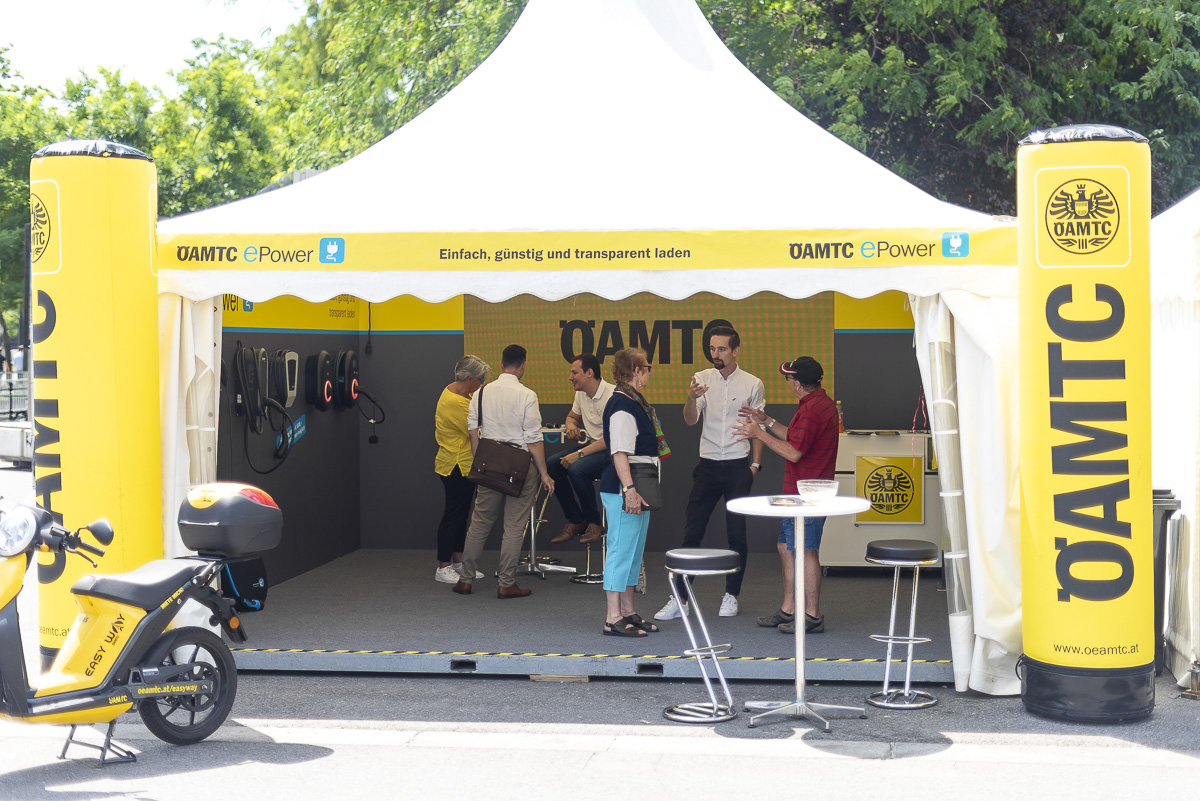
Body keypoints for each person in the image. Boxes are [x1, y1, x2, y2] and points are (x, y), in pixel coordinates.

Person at [655, 326, 764, 621]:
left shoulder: (753, 384)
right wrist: (691, 398)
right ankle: (680, 598)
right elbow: (690, 420)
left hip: (739, 466)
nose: (715, 354)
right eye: (713, 348)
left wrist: (755, 465)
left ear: (735, 351)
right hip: (708, 466)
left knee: (736, 534)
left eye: (722, 349)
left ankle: (732, 595)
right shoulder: (701, 378)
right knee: (692, 532)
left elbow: (757, 429)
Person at [733, 356, 839, 634]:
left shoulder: (812, 410)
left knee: (806, 551)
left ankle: (812, 616)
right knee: (785, 547)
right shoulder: (819, 403)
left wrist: (758, 434)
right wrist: (766, 422)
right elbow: (796, 436)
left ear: (798, 384)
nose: (788, 382)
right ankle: (789, 610)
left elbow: (793, 452)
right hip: (800, 492)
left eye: (789, 378)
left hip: (808, 495)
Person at [452, 345, 554, 599]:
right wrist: (544, 473)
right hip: (520, 467)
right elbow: (533, 439)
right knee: (514, 526)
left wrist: (480, 463)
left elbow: (473, 432)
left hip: (489, 465)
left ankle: (465, 580)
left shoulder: (480, 393)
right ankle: (506, 583)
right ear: (523, 365)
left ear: (500, 364)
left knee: (479, 524)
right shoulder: (527, 395)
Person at [599, 347, 668, 636]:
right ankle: (612, 617)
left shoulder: (633, 402)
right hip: (624, 489)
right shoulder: (622, 404)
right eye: (647, 367)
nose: (650, 372)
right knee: (620, 549)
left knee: (633, 550)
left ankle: (628, 611)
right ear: (637, 371)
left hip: (637, 486)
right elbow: (619, 452)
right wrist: (629, 490)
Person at [433, 355, 491, 584]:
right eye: (480, 380)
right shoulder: (455, 402)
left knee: (461, 515)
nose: (481, 384)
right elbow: (475, 430)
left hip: (464, 465)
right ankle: (443, 566)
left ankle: (458, 562)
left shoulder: (458, 393)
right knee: (453, 515)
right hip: (455, 465)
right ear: (469, 378)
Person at [548, 354, 613, 545]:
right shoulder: (581, 394)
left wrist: (580, 454)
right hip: (593, 447)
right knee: (553, 463)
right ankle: (577, 520)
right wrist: (571, 426)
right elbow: (571, 417)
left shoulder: (611, 395)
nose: (570, 377)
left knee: (577, 468)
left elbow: (611, 438)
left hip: (612, 451)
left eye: (574, 372)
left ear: (589, 373)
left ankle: (595, 523)